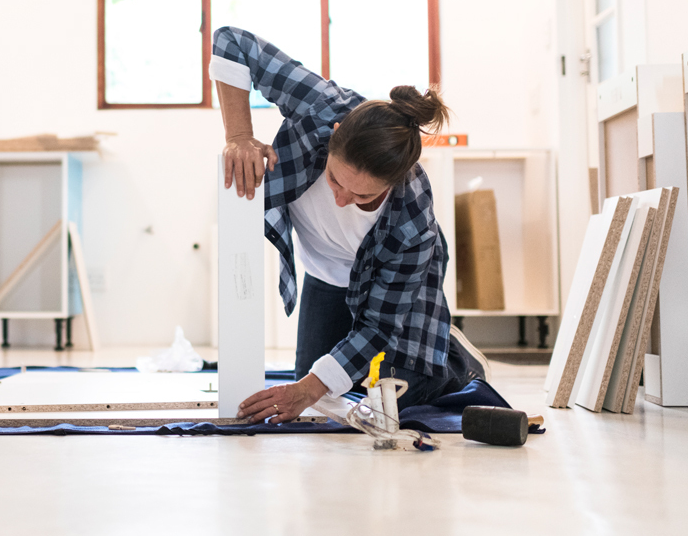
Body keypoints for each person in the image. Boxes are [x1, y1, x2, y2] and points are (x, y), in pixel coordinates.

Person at [209, 26, 489, 424]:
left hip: (391, 290)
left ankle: (454, 359)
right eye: (335, 180)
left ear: (395, 181)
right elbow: (231, 42)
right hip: (326, 273)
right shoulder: (321, 107)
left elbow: (378, 327)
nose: (341, 199)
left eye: (361, 197)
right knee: (318, 402)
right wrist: (239, 135)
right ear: (334, 136)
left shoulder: (413, 222)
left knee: (391, 399)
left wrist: (307, 388)